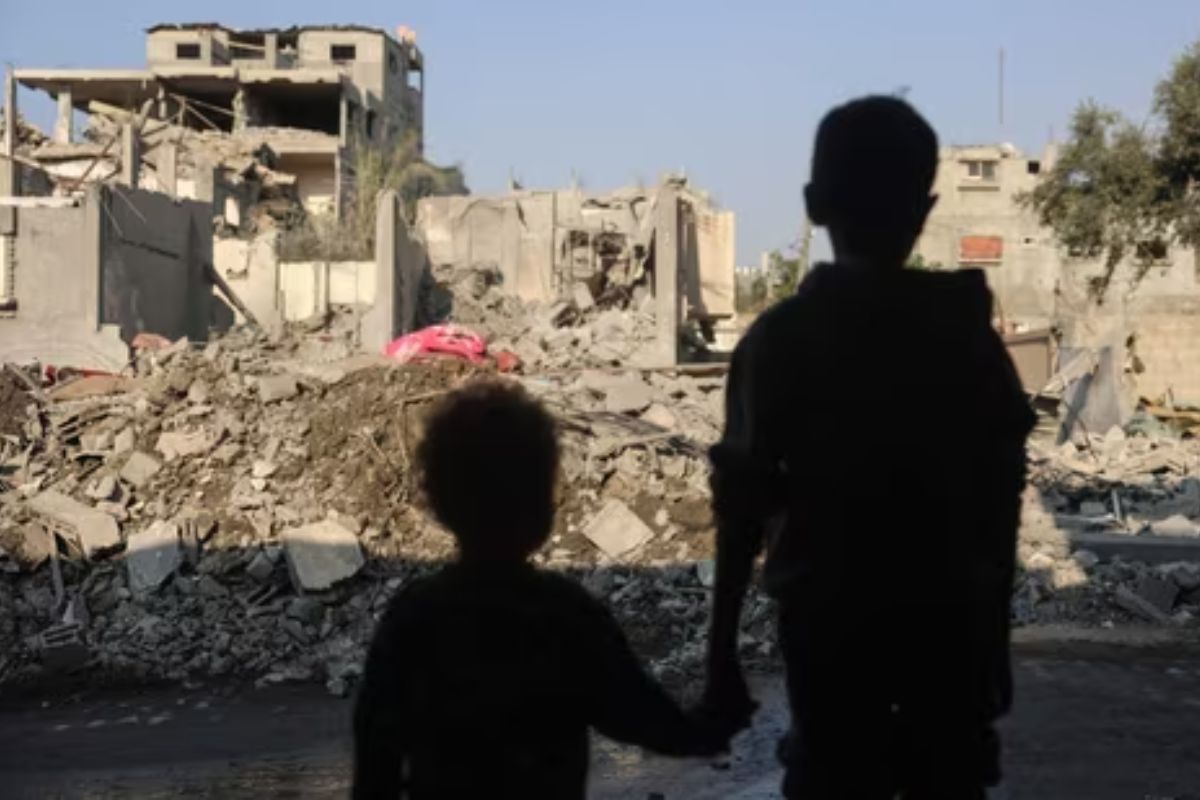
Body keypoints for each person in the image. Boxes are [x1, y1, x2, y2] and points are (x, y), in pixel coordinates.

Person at [700, 97, 1036, 798]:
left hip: (831, 641)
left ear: (814, 204)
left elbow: (740, 512)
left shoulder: (781, 342)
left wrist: (721, 656)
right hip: (949, 641)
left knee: (832, 774)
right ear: (926, 206)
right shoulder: (967, 341)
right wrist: (993, 640)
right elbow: (999, 501)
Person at [353, 381, 726, 799]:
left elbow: (374, 759)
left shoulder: (415, 616)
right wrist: (712, 724)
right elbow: (642, 719)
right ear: (543, 508)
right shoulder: (565, 615)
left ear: (439, 504)